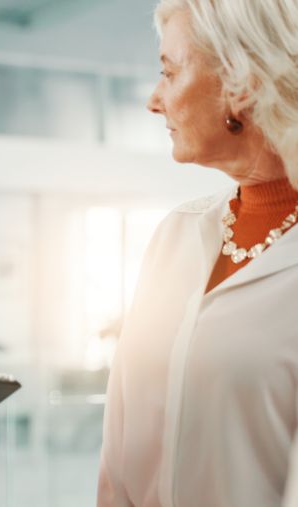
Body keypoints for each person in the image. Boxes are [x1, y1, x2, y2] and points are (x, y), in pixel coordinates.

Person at [98, 1, 298, 505]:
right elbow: (118, 464)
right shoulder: (175, 236)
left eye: (168, 72)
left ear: (242, 82)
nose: (153, 99)